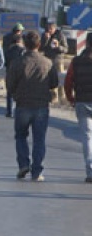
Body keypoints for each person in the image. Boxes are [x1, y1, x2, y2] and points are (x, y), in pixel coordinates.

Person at [6, 30, 58, 182]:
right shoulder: (47, 62)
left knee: (21, 136)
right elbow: (54, 83)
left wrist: (16, 93)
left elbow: (10, 84)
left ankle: (23, 164)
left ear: (25, 45)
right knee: (39, 139)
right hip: (41, 105)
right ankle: (37, 171)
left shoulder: (18, 62)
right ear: (39, 44)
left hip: (23, 104)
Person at [64, 33, 92, 183]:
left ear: (87, 43)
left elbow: (68, 81)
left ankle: (90, 171)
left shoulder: (76, 61)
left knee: (87, 138)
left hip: (82, 102)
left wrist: (71, 99)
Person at [40, 21, 68, 102]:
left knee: (60, 78)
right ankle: (53, 97)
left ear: (55, 29)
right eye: (47, 28)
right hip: (47, 60)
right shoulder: (44, 35)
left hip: (58, 60)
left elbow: (66, 49)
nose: (49, 30)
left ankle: (62, 96)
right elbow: (41, 48)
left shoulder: (60, 35)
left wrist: (58, 47)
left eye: (51, 29)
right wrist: (46, 39)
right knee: (50, 79)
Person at [4, 33, 26, 118]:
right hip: (21, 74)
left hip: (10, 73)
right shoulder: (23, 51)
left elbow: (5, 62)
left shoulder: (8, 51)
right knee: (20, 93)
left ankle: (9, 111)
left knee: (10, 93)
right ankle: (18, 111)